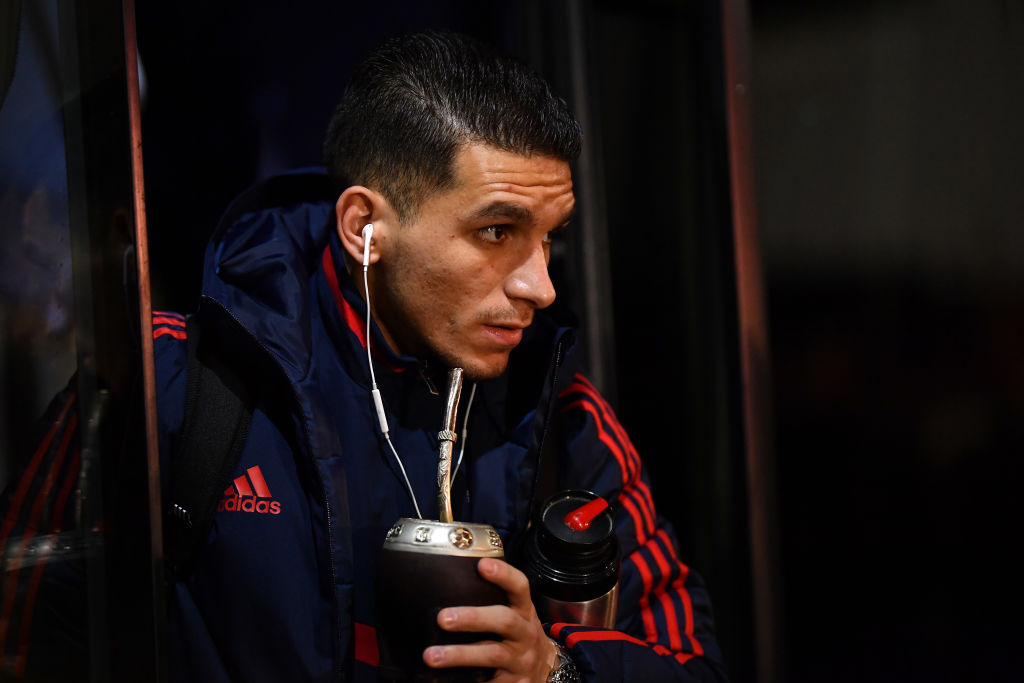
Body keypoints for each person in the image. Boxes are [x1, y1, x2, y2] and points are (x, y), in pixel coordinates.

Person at [6, 31, 728, 682]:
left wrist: (556, 668)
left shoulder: (561, 418)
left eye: (549, 238)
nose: (540, 286)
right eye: (497, 231)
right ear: (364, 228)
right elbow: (21, 635)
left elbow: (694, 665)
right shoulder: (176, 384)